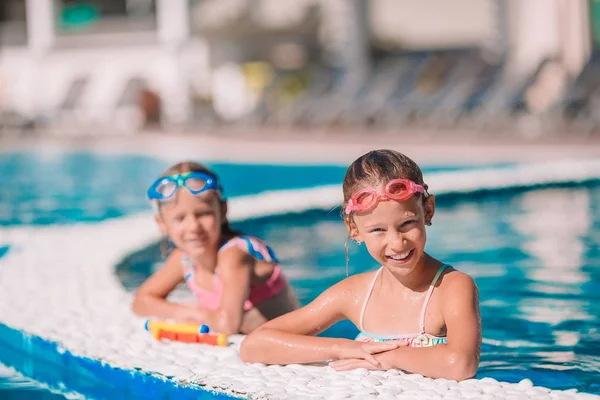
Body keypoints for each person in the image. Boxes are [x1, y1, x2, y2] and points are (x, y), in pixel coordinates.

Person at [240, 150, 481, 381]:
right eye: (378, 230)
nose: (397, 243)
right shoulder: (354, 294)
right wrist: (344, 348)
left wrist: (388, 357)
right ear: (354, 229)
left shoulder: (451, 287)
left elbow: (460, 363)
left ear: (427, 211)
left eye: (407, 224)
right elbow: (254, 345)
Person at [132, 161, 299, 334]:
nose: (193, 227)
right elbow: (141, 301)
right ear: (162, 224)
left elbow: (227, 326)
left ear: (223, 210)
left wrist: (197, 314)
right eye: (180, 218)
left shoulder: (234, 255)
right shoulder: (184, 260)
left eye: (203, 214)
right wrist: (185, 312)